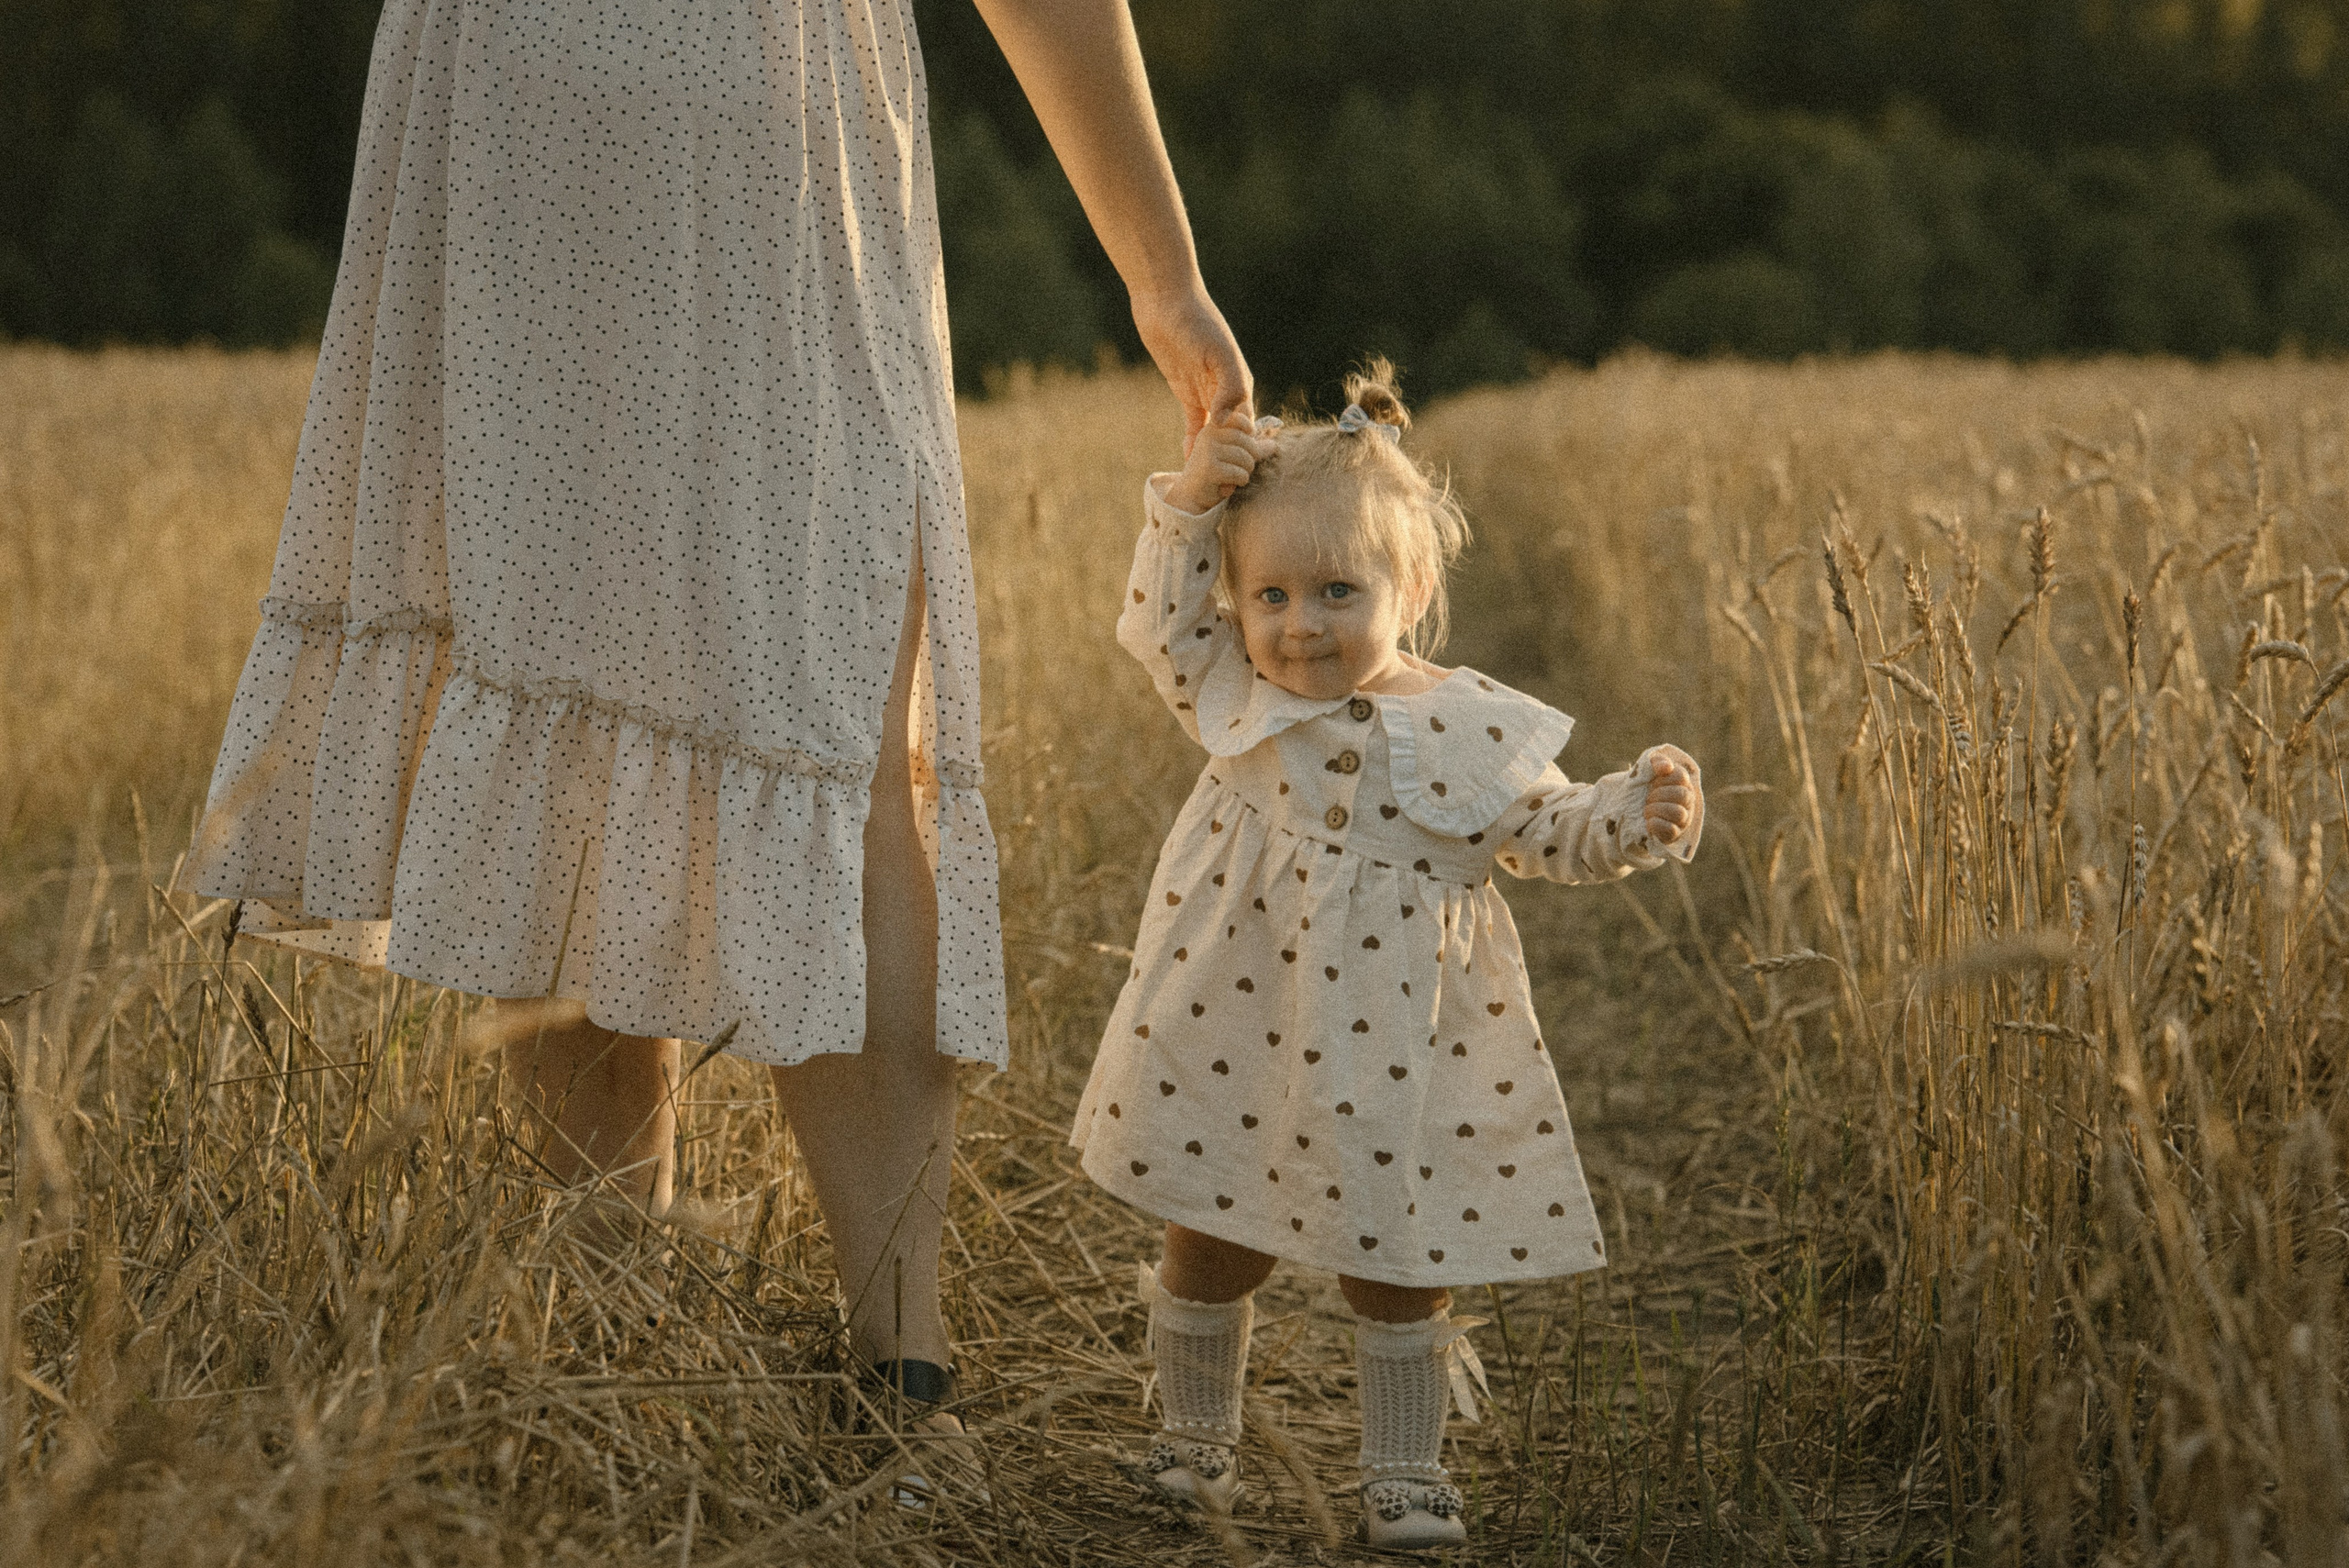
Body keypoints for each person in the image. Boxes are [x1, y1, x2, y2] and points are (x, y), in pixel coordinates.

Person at [185, 0, 1248, 1444]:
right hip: (758, 93)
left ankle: (614, 1319)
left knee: (563, 704)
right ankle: (896, 1367)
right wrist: (1162, 273)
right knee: (841, 717)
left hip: (514, 95)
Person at [1070, 363, 1704, 1548]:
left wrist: (1634, 808)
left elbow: (1546, 830)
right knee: (1212, 1228)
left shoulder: (1469, 724)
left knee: (1402, 1254)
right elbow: (1157, 623)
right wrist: (1185, 507)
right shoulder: (1235, 692)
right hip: (1235, 1014)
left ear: (1409, 588)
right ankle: (1194, 1438)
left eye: (1335, 590)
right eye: (1269, 594)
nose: (1299, 622)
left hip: (1400, 1038)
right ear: (1237, 598)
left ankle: (1404, 1467)